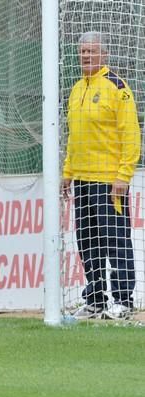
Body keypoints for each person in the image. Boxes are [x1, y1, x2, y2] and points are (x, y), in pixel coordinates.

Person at [62, 31, 141, 320]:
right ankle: (94, 300)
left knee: (116, 239)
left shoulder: (117, 88)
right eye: (82, 52)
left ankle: (122, 300)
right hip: (82, 180)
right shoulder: (76, 89)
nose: (86, 56)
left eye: (92, 52)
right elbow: (74, 137)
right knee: (87, 242)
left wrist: (123, 175)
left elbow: (131, 135)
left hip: (109, 182)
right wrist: (67, 173)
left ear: (103, 55)